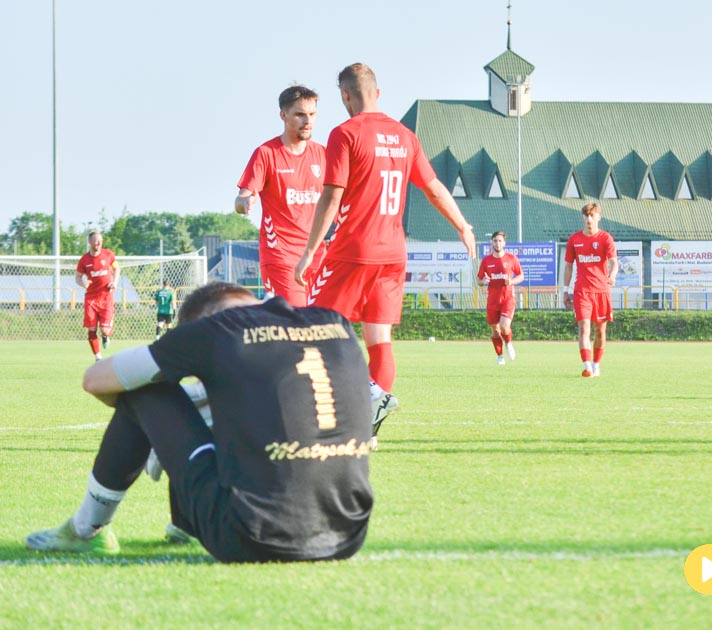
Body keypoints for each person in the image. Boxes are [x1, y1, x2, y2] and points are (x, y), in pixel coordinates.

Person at [26, 281, 373, 563]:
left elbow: (96, 379)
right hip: (348, 534)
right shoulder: (332, 322)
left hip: (248, 537)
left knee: (144, 388)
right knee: (240, 405)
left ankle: (87, 530)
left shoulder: (214, 329)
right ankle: (187, 526)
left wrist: (165, 426)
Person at [293, 62, 476, 442]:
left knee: (315, 332)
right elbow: (434, 187)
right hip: (393, 253)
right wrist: (463, 225)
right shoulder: (404, 136)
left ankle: (368, 396)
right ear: (378, 92)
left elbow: (331, 194)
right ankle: (367, 430)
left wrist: (311, 250)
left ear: (346, 95)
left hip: (352, 250)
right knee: (379, 339)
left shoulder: (345, 133)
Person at [235, 84, 327, 307]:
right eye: (300, 115)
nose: (308, 121)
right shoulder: (266, 154)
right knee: (294, 323)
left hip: (318, 256)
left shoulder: (323, 154)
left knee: (322, 327)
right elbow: (241, 198)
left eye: (312, 114)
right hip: (282, 258)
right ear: (283, 115)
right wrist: (245, 202)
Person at [562, 203, 619, 378]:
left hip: (601, 290)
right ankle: (587, 366)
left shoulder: (605, 238)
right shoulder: (574, 239)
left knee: (600, 331)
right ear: (583, 217)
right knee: (584, 328)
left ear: (598, 217)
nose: (589, 219)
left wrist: (613, 274)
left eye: (592, 215)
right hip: (582, 291)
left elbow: (614, 262)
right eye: (586, 216)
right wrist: (565, 290)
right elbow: (569, 266)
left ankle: (596, 365)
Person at [478, 232, 524, 366]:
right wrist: (483, 281)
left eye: (500, 241)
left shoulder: (511, 258)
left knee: (504, 326)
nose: (497, 243)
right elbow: (479, 280)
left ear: (504, 243)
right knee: (495, 330)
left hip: (507, 298)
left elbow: (521, 276)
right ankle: (500, 356)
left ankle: (509, 343)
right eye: (495, 241)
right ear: (491, 243)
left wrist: (511, 281)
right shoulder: (486, 261)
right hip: (492, 300)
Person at [75, 231, 119, 361]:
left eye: (100, 240)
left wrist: (114, 282)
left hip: (106, 297)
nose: (99, 243)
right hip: (91, 299)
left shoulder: (108, 255)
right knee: (92, 328)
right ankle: (97, 357)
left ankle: (106, 336)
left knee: (105, 330)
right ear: (90, 242)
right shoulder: (84, 260)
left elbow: (117, 268)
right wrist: (83, 283)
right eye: (96, 240)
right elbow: (77, 277)